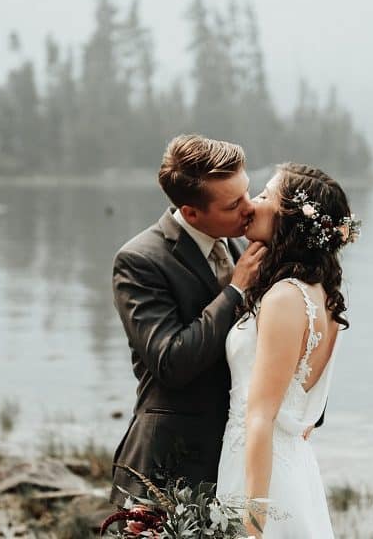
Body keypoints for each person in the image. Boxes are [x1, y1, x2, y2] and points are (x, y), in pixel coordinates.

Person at [109, 134, 267, 504]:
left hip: (235, 462)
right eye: (233, 204)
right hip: (166, 469)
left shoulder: (246, 244)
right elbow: (171, 361)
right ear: (191, 212)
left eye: (248, 192)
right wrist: (236, 289)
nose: (249, 208)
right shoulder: (139, 261)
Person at [217, 162, 360, 537]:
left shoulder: (285, 297)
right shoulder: (325, 299)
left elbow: (261, 417)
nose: (253, 202)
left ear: (290, 219)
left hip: (260, 474)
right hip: (291, 466)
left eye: (265, 195)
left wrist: (253, 523)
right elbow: (305, 415)